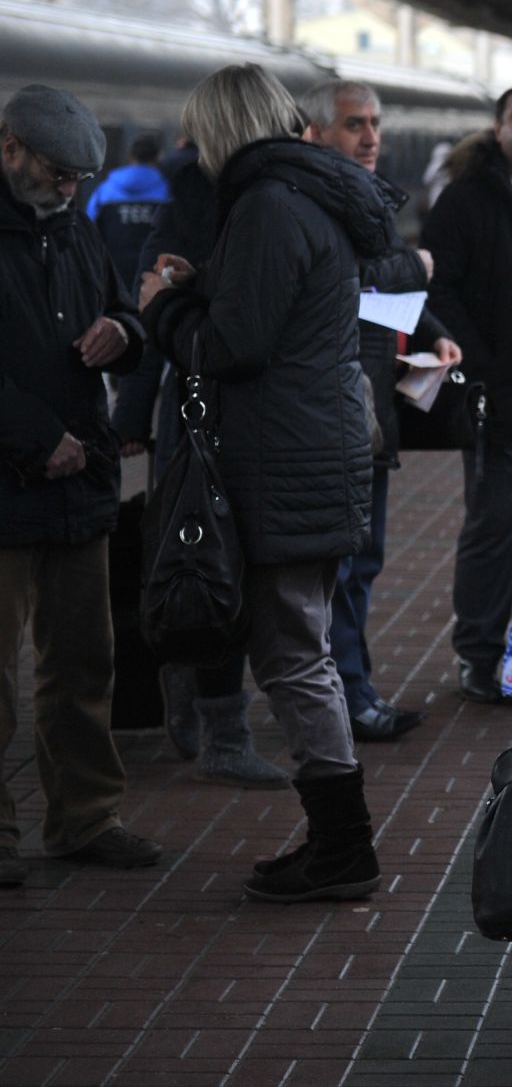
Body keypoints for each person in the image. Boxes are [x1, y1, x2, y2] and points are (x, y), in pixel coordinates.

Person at [137, 62, 388, 903]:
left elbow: (235, 345)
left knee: (293, 656)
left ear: (220, 128)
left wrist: (161, 310)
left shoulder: (267, 205)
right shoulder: (297, 194)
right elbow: (274, 306)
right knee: (297, 648)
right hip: (308, 446)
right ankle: (335, 840)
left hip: (287, 456)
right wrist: (200, 281)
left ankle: (344, 847)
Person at [0, 84, 163, 888]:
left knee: (83, 660)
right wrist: (37, 440)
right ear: (11, 151)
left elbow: (119, 317)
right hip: (11, 480)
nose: (71, 189)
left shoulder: (74, 231)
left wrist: (125, 331)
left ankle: (84, 816)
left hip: (78, 482)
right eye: (60, 173)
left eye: (80, 178)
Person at [112, 141, 290, 790]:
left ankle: (193, 688)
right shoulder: (193, 196)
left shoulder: (277, 196)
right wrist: (132, 417)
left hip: (253, 416)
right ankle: (222, 727)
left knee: (223, 565)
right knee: (204, 561)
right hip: (196, 415)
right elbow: (152, 305)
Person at [299, 79, 459, 742]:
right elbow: (353, 282)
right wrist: (412, 267)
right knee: (338, 565)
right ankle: (344, 697)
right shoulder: (306, 203)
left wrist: (429, 334)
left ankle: (348, 690)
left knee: (362, 561)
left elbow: (376, 293)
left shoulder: (364, 199)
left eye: (375, 123)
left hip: (368, 409)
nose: (370, 137)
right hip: (332, 413)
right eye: (353, 124)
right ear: (314, 133)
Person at [422, 85, 512, 704]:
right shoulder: (468, 200)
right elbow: (440, 288)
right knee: (495, 524)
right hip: (500, 391)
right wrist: (481, 363)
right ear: (499, 129)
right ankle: (480, 654)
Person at [86, 133, 169, 291]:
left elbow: (89, 229)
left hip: (113, 274)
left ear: (131, 157)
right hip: (152, 276)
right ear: (157, 158)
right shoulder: (166, 191)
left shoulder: (106, 190)